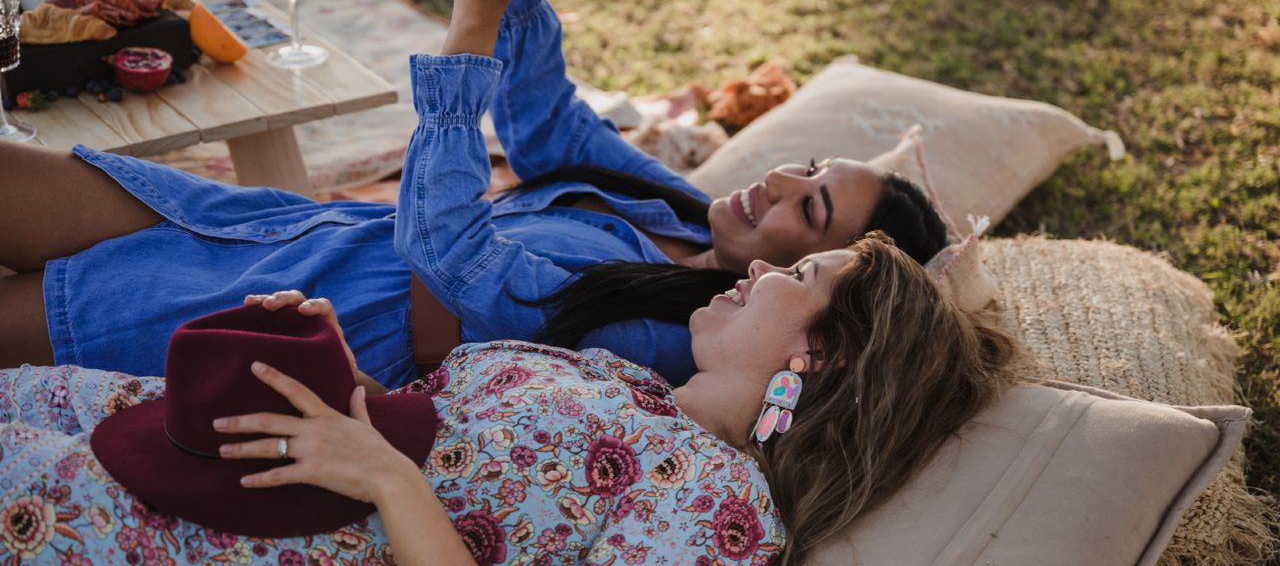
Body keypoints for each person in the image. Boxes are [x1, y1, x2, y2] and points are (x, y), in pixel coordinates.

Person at [0, 0, 947, 390]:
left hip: (299, 318)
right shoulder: (687, 214)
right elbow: (549, 129)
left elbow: (446, 249)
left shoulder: (663, 343)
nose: (778, 181)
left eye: (811, 212)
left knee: (35, 308)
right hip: (286, 227)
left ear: (808, 293)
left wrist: (472, 25)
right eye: (809, 166)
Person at [0, 233, 1023, 566]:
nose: (757, 269)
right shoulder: (631, 384)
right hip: (178, 433)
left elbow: (409, 478)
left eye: (793, 278)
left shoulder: (721, 512)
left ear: (825, 357)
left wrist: (387, 482)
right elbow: (423, 426)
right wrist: (324, 361)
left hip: (229, 531)